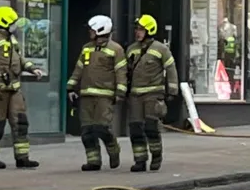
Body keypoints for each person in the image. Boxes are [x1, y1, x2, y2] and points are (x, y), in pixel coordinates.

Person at [0, 6, 45, 169]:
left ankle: (22, 158)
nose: (15, 25)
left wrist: (31, 68)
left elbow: (19, 59)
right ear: (5, 22)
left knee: (20, 122)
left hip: (14, 89)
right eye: (13, 22)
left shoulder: (12, 39)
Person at [68, 15, 126, 170]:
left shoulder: (116, 49)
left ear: (101, 30)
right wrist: (71, 87)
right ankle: (93, 161)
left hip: (104, 96)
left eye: (92, 29)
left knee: (102, 128)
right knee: (87, 131)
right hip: (86, 95)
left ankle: (113, 149)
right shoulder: (87, 48)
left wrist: (120, 92)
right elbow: (79, 69)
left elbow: (121, 72)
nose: (89, 32)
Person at [125, 14, 178, 172]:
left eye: (141, 29)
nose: (137, 32)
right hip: (135, 96)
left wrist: (172, 90)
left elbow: (171, 69)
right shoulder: (131, 49)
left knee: (151, 127)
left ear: (149, 30)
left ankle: (156, 155)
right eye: (136, 29)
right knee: (135, 128)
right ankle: (140, 160)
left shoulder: (160, 49)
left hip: (153, 94)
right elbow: (125, 71)